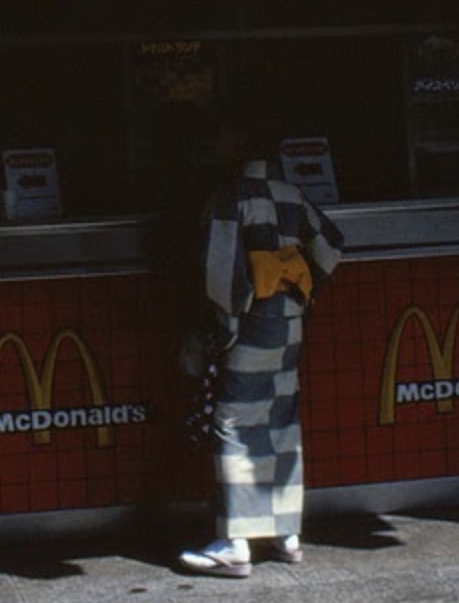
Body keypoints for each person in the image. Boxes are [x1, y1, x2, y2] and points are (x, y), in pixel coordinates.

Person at [176, 109, 345, 580]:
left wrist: (224, 325)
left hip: (248, 324)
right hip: (289, 321)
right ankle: (286, 533)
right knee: (280, 416)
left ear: (239, 145)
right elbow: (332, 246)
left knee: (233, 420)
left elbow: (220, 273)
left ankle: (235, 542)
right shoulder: (292, 194)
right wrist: (299, 292)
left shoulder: (231, 197)